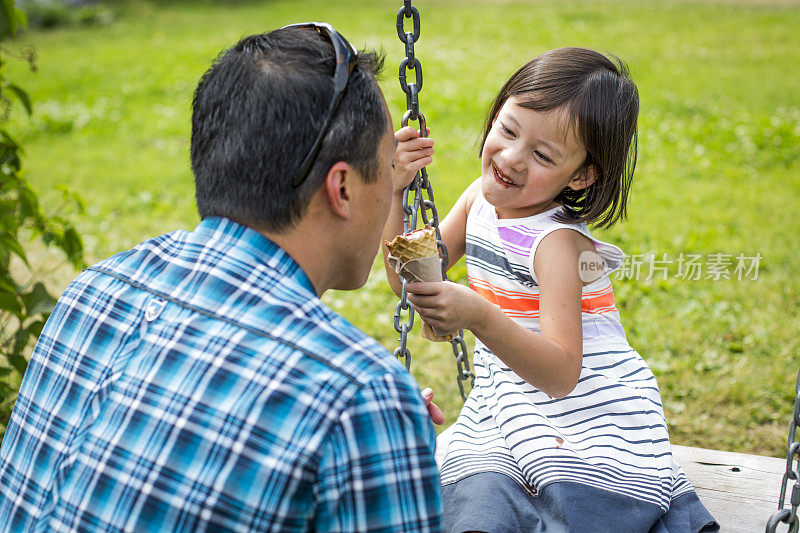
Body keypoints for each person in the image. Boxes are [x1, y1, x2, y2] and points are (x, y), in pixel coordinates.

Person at [0, 23, 444, 532]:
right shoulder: (359, 398)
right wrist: (390, 443)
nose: (392, 185)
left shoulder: (96, 289)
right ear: (341, 187)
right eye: (388, 165)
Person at [383, 47, 719, 532]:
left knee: (571, 500)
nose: (512, 158)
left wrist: (478, 314)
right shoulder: (478, 200)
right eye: (508, 130)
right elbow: (407, 281)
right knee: (477, 497)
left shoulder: (556, 242)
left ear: (581, 175)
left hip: (591, 410)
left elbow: (563, 374)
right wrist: (397, 191)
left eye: (542, 155)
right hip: (511, 395)